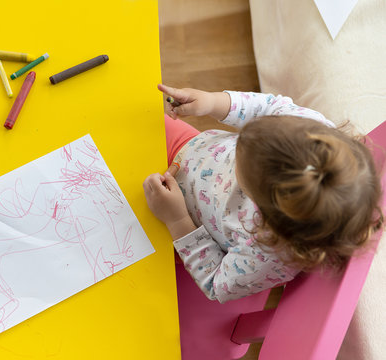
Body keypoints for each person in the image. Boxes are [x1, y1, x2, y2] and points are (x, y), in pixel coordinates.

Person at [143, 84, 383, 303]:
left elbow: (215, 282)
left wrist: (177, 219)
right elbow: (270, 107)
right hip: (188, 147)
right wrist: (212, 102)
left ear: (262, 207)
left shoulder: (267, 254)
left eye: (239, 160)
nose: (237, 148)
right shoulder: (312, 133)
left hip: (177, 225)